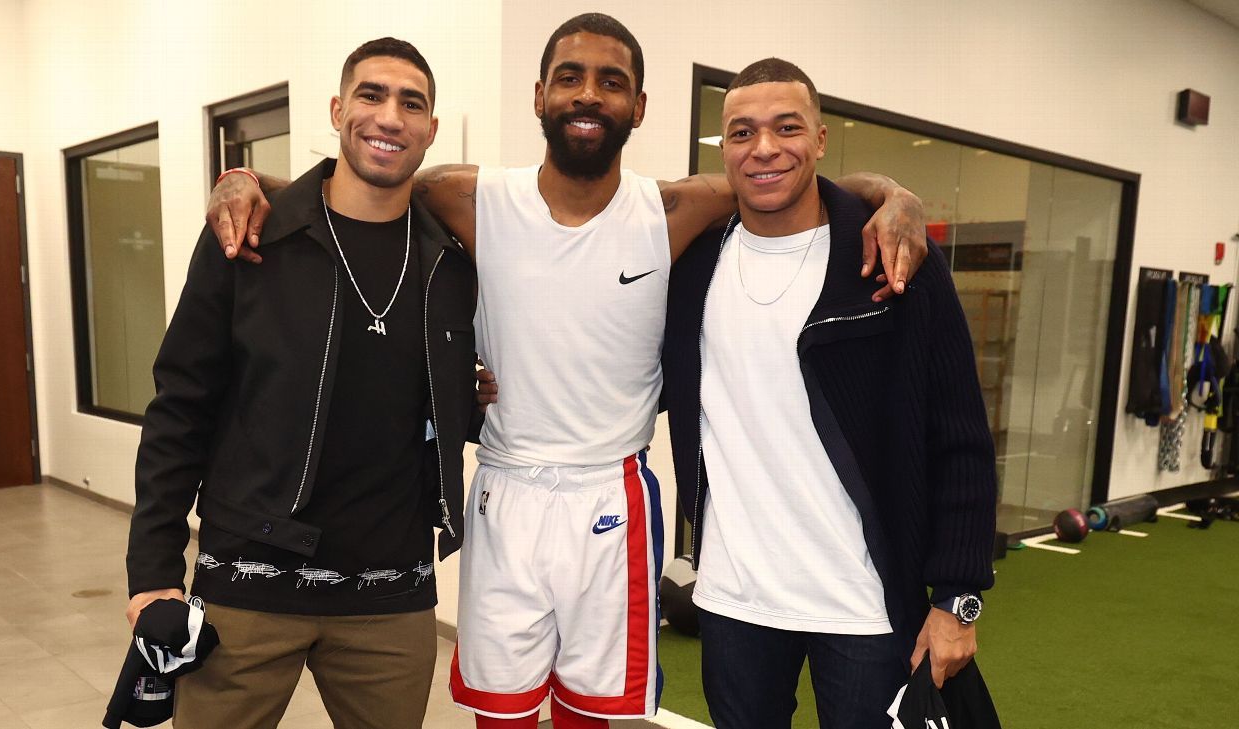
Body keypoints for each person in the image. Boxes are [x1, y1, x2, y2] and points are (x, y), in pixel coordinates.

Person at [205, 15, 930, 727]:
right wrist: (244, 176)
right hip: (507, 490)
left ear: (638, 106)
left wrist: (896, 194)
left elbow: (793, 176)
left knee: (589, 712)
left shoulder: (675, 208)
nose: (589, 95)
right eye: (570, 78)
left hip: (611, 497)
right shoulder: (470, 196)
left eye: (611, 83)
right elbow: (356, 184)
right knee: (505, 712)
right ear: (539, 95)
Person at [125, 38, 479, 729]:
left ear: (431, 129)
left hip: (392, 596)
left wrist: (474, 397)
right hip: (248, 584)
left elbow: (435, 404)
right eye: (372, 95)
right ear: (337, 108)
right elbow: (179, 409)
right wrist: (152, 569)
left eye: (412, 103)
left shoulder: (450, 264)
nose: (390, 117)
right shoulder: (251, 238)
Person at [661, 58, 998, 729]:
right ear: (722, 147)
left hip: (865, 608)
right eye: (741, 132)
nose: (764, 148)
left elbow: (960, 437)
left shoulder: (892, 262)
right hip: (735, 601)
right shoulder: (692, 263)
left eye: (787, 128)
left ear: (819, 139)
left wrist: (959, 597)